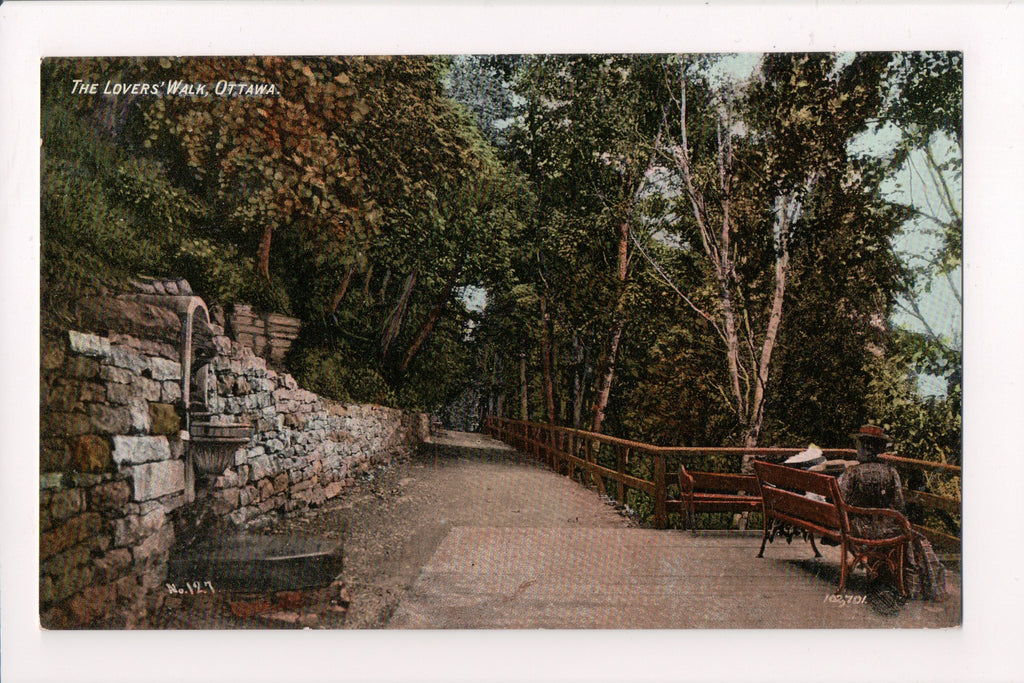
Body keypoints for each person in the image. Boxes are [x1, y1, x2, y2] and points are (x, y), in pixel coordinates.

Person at [838, 425, 947, 611]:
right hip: (886, 530)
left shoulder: (852, 473)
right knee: (911, 534)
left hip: (858, 529)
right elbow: (899, 504)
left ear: (866, 449)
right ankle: (910, 581)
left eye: (860, 446)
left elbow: (843, 500)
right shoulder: (891, 472)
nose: (858, 450)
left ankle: (884, 573)